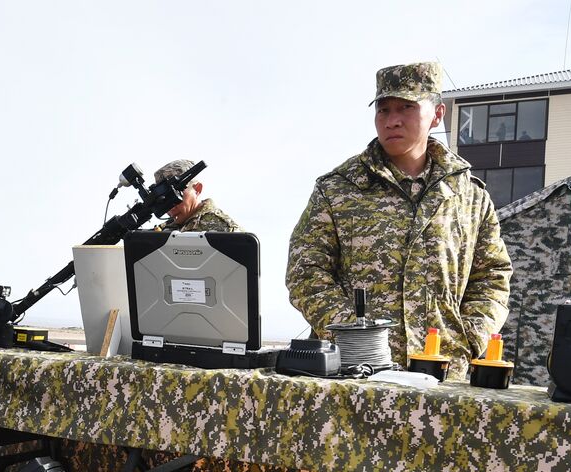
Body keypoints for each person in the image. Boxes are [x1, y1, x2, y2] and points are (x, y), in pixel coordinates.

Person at [285, 62, 511, 375]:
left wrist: (469, 337)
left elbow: (492, 275)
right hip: (355, 373)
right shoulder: (338, 188)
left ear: (436, 114)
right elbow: (305, 271)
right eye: (384, 110)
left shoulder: (468, 195)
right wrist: (352, 335)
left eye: (406, 108)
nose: (392, 121)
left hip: (441, 373)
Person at [154, 158, 241, 232]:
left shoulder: (224, 230)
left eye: (176, 196)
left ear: (197, 189)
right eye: (165, 198)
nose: (171, 207)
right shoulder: (165, 229)